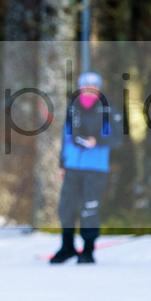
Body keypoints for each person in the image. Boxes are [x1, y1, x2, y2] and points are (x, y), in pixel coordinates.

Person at [50, 71, 124, 264]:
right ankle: (67, 247)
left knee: (89, 209)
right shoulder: (73, 109)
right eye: (85, 87)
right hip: (73, 166)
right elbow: (65, 138)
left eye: (94, 87)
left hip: (96, 168)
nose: (89, 91)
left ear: (99, 89)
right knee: (65, 208)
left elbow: (118, 139)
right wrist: (62, 164)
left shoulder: (109, 110)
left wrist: (96, 140)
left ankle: (88, 250)